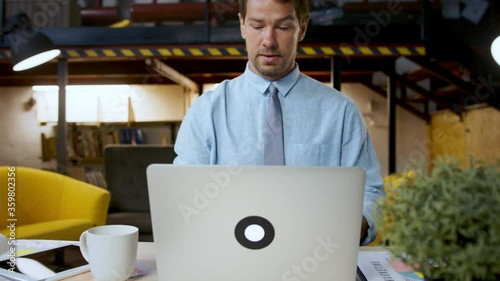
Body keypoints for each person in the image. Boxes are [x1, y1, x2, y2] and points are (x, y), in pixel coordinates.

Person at [173, 0, 384, 245]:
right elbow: (183, 199)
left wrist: (343, 232)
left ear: (302, 28)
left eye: (283, 27)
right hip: (229, 259)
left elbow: (371, 194)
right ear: (242, 26)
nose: (269, 41)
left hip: (316, 257)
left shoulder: (341, 112)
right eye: (257, 25)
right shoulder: (205, 112)